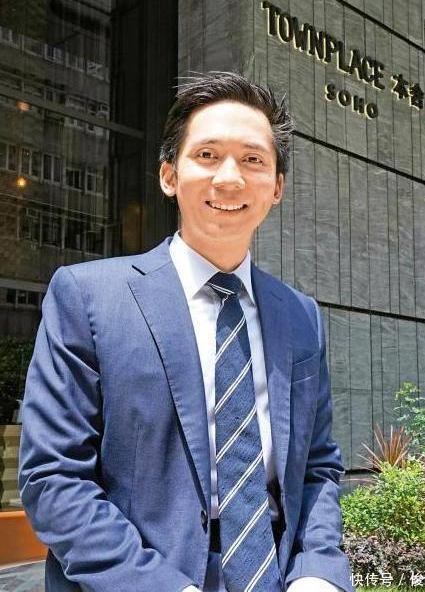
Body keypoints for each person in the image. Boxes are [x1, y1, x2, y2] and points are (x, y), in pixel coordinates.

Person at [19, 72, 354, 592]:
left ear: (277, 187)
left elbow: (317, 468)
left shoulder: (300, 315)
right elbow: (55, 478)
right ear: (169, 176)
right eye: (207, 155)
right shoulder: (87, 296)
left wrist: (319, 573)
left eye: (253, 159)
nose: (230, 178)